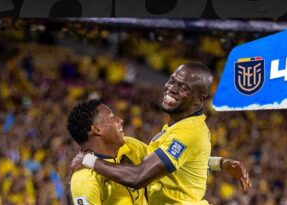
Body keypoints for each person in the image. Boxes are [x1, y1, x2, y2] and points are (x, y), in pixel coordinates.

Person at [70, 62, 251, 204]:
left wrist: (87, 160)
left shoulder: (187, 132)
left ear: (198, 100)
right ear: (97, 129)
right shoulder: (85, 180)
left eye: (184, 87)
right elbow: (172, 159)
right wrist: (218, 164)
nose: (172, 88)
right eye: (172, 80)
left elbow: (139, 176)